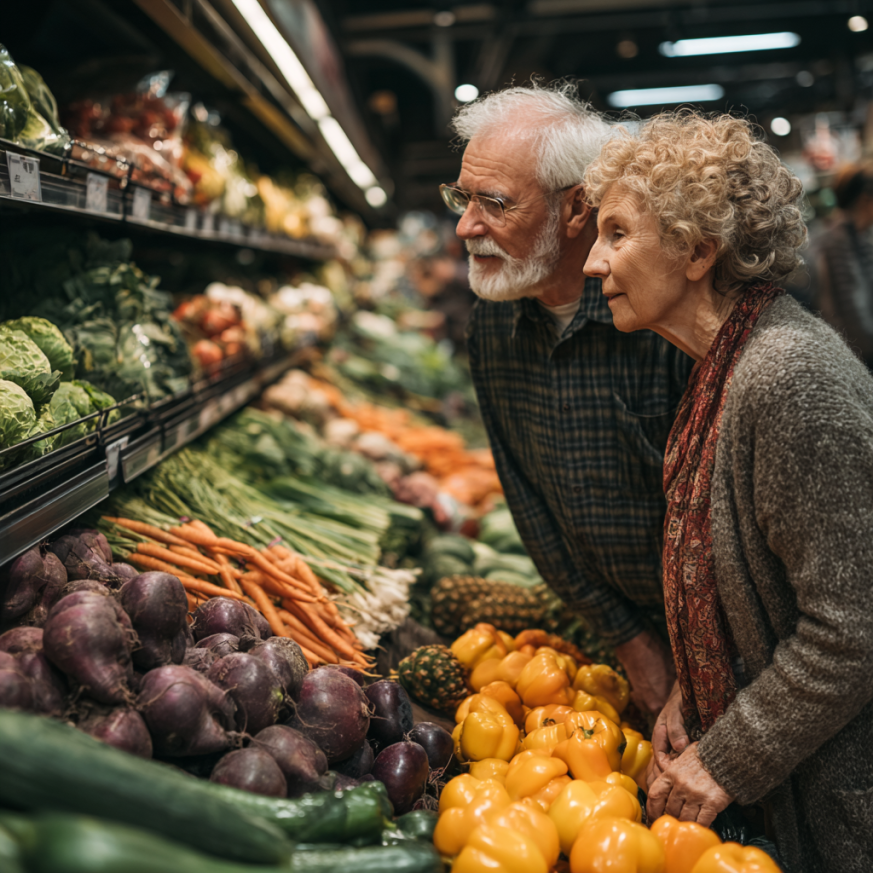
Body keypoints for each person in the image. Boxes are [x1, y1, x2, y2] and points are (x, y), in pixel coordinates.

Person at [583, 110, 873, 873]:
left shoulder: (787, 380)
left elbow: (854, 626)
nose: (590, 262)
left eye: (616, 234)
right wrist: (691, 683)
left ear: (695, 250)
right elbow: (744, 582)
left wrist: (727, 759)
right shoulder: (722, 366)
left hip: (839, 809)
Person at [445, 81, 693, 715]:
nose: (466, 226)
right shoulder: (494, 326)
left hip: (730, 638)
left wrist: (699, 660)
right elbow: (529, 504)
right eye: (462, 197)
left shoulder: (664, 321)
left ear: (577, 207)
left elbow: (726, 527)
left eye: (495, 203)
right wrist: (635, 646)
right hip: (618, 634)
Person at [808, 162, 873, 369]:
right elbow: (855, 321)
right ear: (866, 200)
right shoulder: (838, 242)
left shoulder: (859, 236)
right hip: (856, 363)